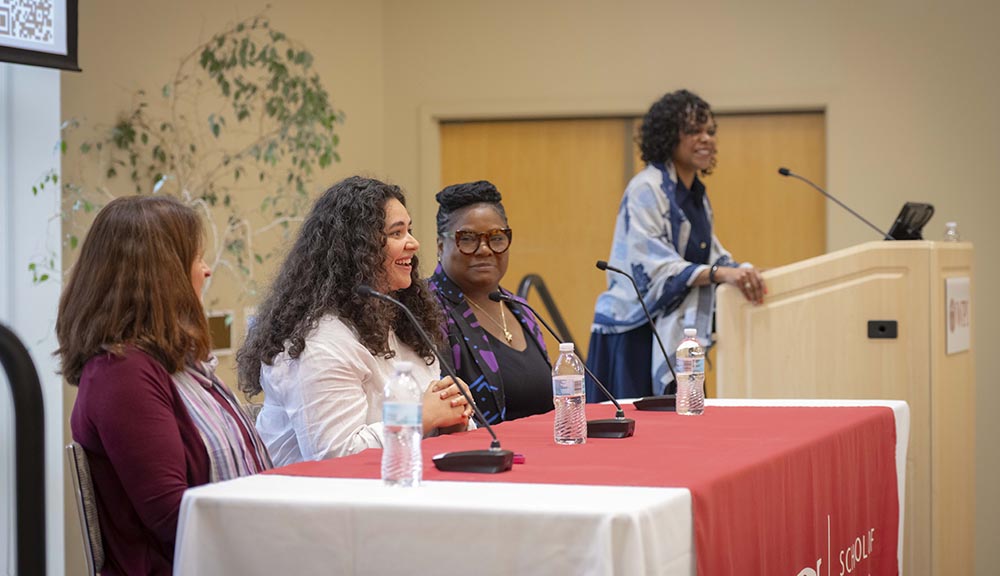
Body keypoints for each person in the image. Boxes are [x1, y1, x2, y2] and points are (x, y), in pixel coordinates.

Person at [58, 195, 272, 576]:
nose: (206, 271)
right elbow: (175, 516)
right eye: (196, 258)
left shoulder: (172, 365)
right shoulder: (121, 374)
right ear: (163, 276)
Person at [236, 176, 473, 466]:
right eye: (396, 233)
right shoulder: (319, 342)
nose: (413, 243)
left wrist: (452, 416)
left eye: (409, 230)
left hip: (402, 480)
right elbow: (335, 455)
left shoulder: (402, 321)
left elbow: (427, 422)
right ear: (357, 250)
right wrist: (421, 417)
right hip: (309, 491)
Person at [587, 89, 766, 400]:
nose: (706, 138)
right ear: (669, 135)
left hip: (676, 335)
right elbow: (653, 267)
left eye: (710, 131)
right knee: (636, 427)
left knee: (682, 421)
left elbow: (712, 255)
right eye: (694, 130)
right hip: (634, 334)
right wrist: (722, 273)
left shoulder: (697, 194)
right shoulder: (646, 188)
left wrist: (745, 272)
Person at [429, 181, 553, 424]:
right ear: (441, 246)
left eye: (496, 238)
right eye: (467, 239)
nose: (485, 249)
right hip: (476, 448)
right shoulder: (427, 310)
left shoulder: (520, 309)